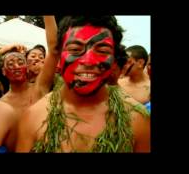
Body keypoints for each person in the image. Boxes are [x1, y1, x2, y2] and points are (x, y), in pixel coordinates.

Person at [15, 16, 150, 153]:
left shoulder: (137, 119)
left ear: (114, 60)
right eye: (75, 49)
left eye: (102, 51)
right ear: (59, 58)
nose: (88, 60)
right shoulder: (34, 117)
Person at [0, 16, 59, 117]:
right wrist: (5, 49)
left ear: (26, 67)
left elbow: (54, 48)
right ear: (3, 71)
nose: (17, 66)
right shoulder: (1, 105)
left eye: (20, 62)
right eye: (10, 64)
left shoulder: (39, 88)